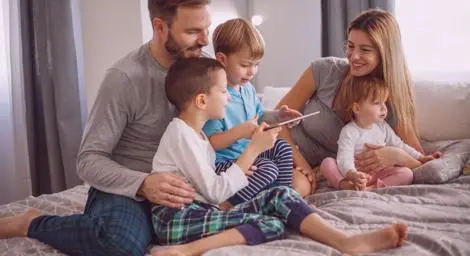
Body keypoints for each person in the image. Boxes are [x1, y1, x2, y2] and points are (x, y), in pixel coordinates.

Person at [0, 1, 212, 255]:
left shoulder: (207, 70)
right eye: (192, 32)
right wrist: (144, 183)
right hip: (128, 189)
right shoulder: (124, 78)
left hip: (182, 189)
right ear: (160, 27)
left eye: (207, 29)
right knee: (120, 245)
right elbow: (88, 160)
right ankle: (32, 222)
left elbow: (240, 110)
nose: (205, 40)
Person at [150, 57, 408, 256]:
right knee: (273, 223)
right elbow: (215, 193)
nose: (229, 97)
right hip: (177, 220)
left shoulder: (195, 134)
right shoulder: (181, 135)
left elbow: (209, 186)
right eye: (223, 91)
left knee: (281, 199)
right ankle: (186, 251)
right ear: (202, 101)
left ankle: (346, 241)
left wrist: (249, 153)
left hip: (200, 209)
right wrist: (252, 151)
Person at [275, 9, 429, 192]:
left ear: (385, 54)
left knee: (295, 192)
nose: (354, 56)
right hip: (288, 152)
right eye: (350, 46)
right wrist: (299, 160)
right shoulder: (324, 71)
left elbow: (422, 163)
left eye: (365, 50)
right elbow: (276, 120)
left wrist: (396, 155)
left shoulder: (387, 101)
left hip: (320, 170)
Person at [203, 18, 308, 206]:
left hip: (250, 153)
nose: (252, 71)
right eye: (245, 65)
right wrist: (240, 132)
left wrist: (278, 116)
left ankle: (283, 198)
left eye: (256, 64)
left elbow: (259, 117)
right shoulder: (216, 96)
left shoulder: (248, 89)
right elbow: (211, 144)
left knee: (283, 148)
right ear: (222, 59)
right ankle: (227, 206)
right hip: (225, 163)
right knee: (267, 169)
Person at [320, 76, 440, 190]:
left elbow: (399, 145)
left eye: (384, 102)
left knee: (406, 173)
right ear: (357, 108)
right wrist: (352, 174)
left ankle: (371, 189)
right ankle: (345, 185)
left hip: (378, 173)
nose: (384, 108)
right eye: (377, 103)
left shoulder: (382, 126)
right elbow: (344, 157)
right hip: (355, 175)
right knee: (327, 163)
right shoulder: (349, 131)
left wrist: (421, 157)